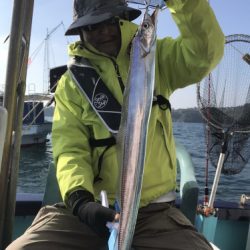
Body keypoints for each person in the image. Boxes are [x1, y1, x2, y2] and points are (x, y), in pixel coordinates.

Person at [7, 0, 224, 249]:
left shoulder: (158, 57)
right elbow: (70, 149)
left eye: (109, 21)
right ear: (80, 31)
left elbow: (207, 53)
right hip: (87, 211)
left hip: (155, 213)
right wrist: (80, 201)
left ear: (122, 19)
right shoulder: (70, 84)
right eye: (92, 26)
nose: (103, 31)